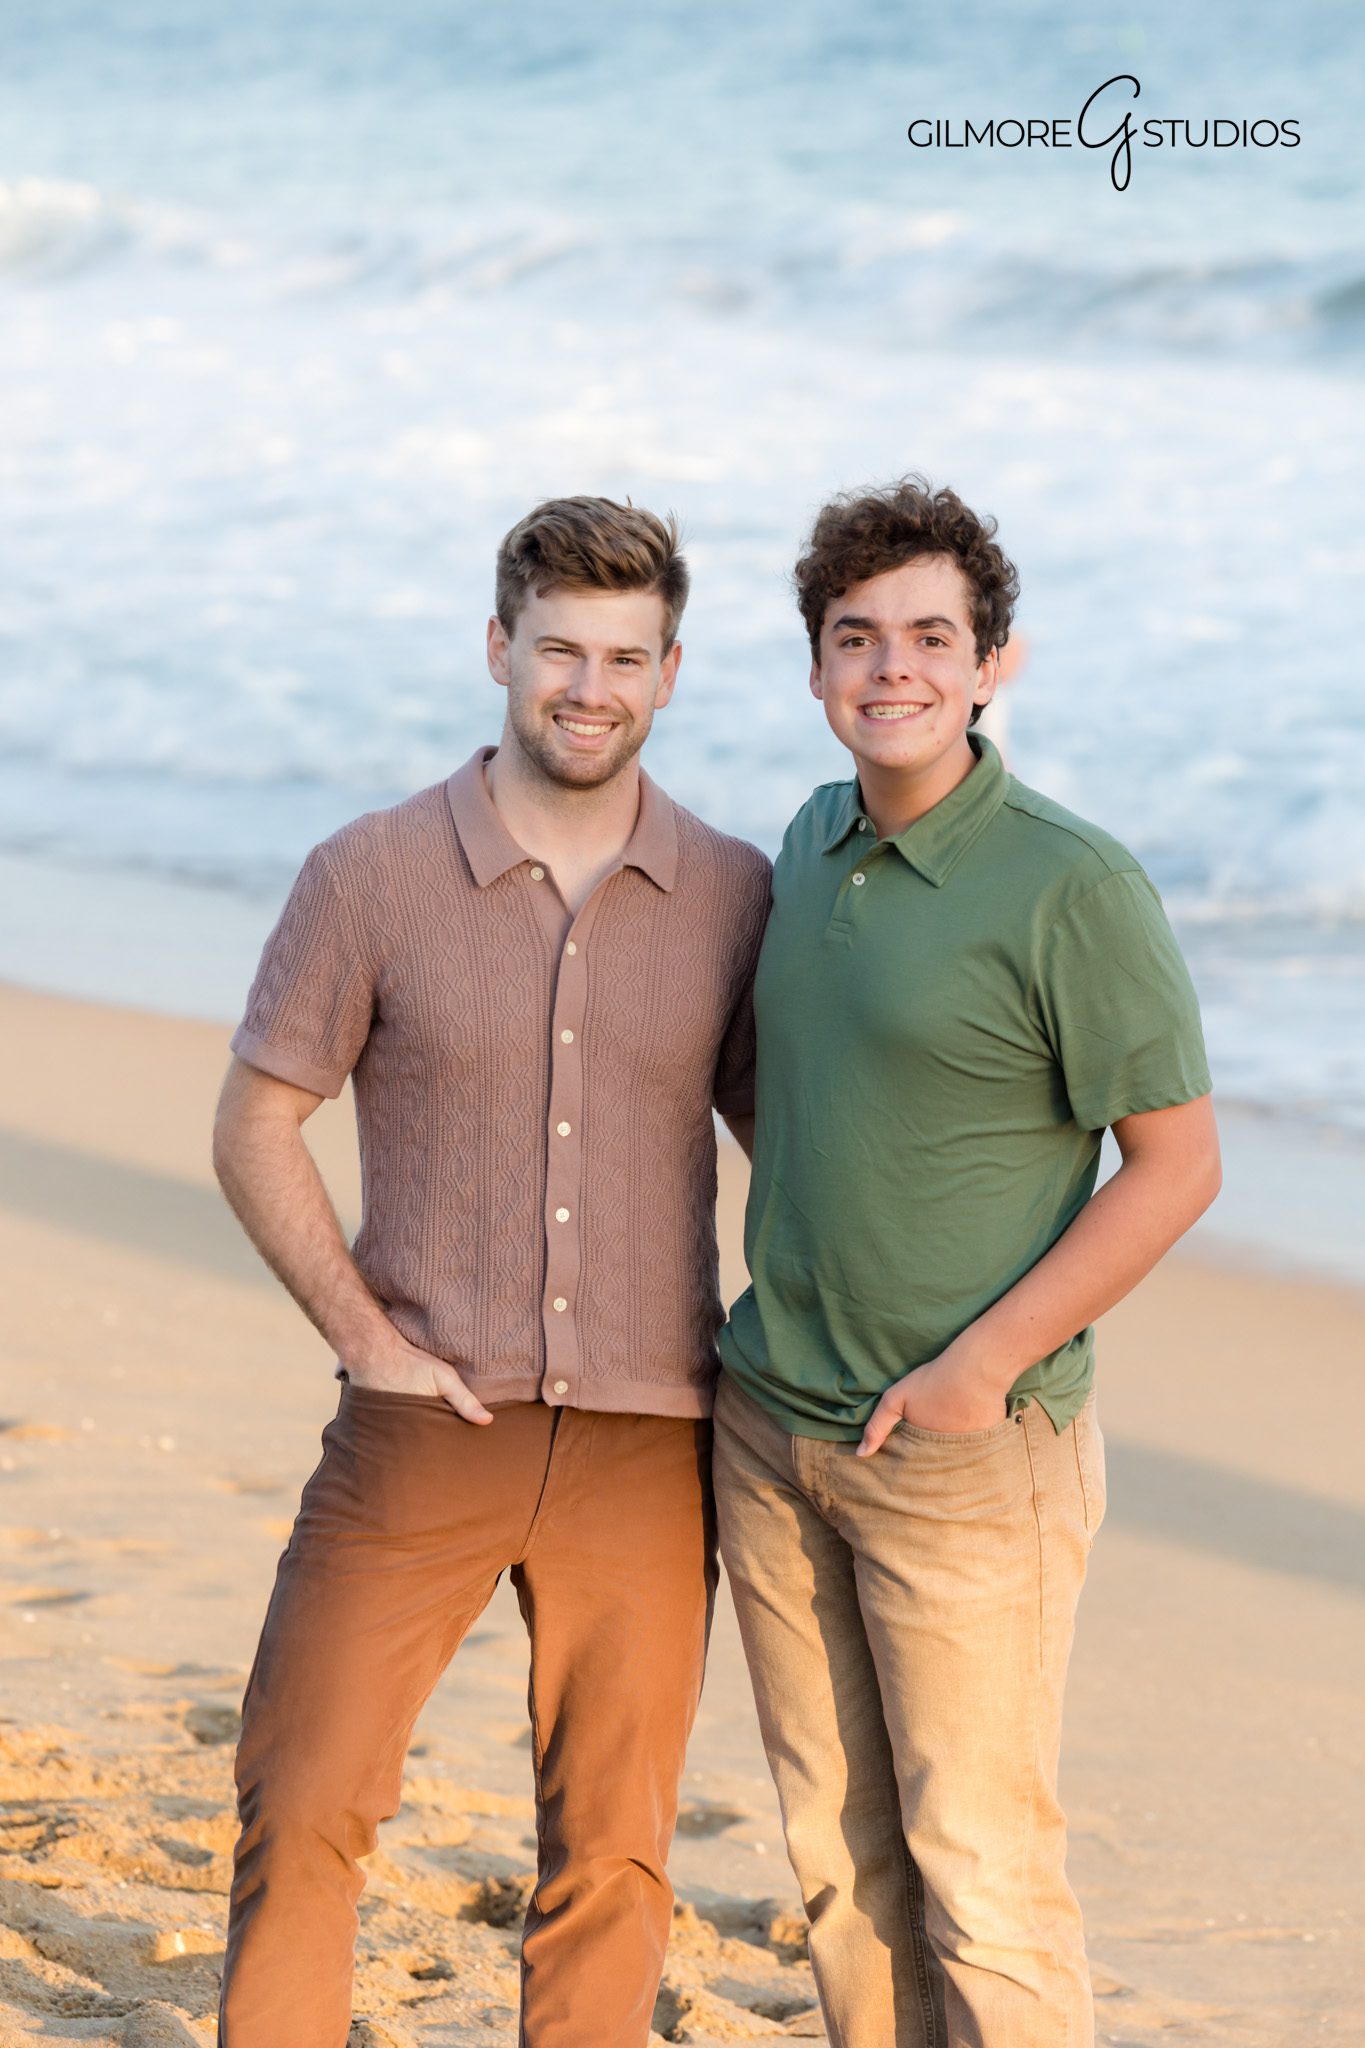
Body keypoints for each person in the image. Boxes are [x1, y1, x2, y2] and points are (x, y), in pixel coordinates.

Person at [211, 496, 771, 2048]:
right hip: (416, 1427)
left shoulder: (734, 892)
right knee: (303, 1800)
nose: (588, 686)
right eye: (558, 651)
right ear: (496, 650)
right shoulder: (370, 872)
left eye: (624, 657)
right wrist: (365, 1338)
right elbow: (257, 1124)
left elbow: (799, 1145)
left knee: (613, 1856)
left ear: (670, 674)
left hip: (650, 1450)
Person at [714, 477, 1221, 2048]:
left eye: (930, 636)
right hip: (773, 1425)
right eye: (854, 638)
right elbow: (777, 1079)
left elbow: (1177, 1166)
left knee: (980, 1871)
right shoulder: (806, 841)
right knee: (836, 1863)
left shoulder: (1074, 887)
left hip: (966, 1455)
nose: (891, 670)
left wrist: (972, 1369)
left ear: (993, 663)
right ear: (811, 670)